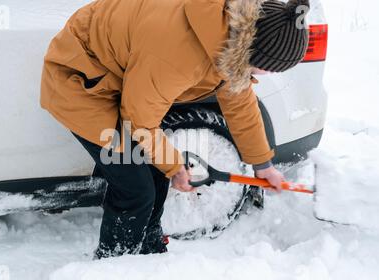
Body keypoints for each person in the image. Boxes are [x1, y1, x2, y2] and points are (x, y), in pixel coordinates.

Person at [40, 0, 310, 258]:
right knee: (136, 188)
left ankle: (149, 247)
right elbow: (140, 119)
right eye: (269, 68)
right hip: (82, 80)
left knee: (155, 172)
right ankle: (114, 263)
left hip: (125, 80)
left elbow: (239, 102)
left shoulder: (230, 31)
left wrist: (263, 164)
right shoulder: (180, 52)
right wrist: (174, 167)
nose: (269, 75)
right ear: (253, 52)